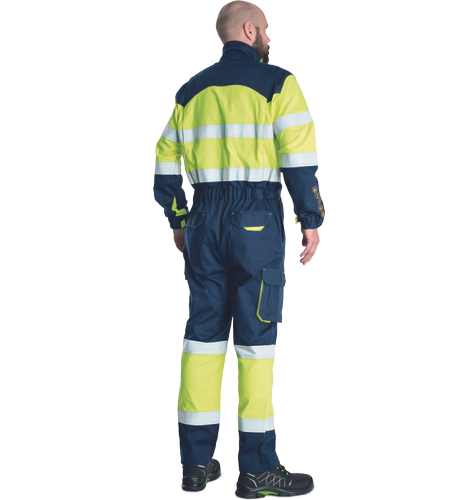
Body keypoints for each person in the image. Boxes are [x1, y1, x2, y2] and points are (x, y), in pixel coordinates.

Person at [153, 1, 324, 497]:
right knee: (255, 346)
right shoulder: (278, 83)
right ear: (249, 30)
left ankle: (195, 465)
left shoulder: (190, 90)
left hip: (203, 221)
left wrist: (179, 218)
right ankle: (257, 470)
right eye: (266, 28)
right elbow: (298, 155)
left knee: (202, 341)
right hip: (256, 222)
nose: (269, 36)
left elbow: (164, 159)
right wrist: (310, 217)